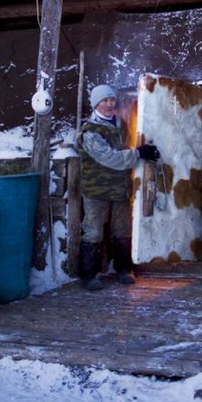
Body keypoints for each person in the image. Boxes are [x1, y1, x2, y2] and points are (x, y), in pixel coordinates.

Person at [74, 84, 160, 291]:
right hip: (96, 190)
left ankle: (123, 269)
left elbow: (127, 148)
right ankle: (87, 275)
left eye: (111, 100)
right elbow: (110, 158)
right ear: (96, 104)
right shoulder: (90, 132)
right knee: (93, 231)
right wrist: (139, 153)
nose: (109, 104)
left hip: (120, 189)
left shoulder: (121, 126)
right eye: (104, 101)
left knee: (123, 230)